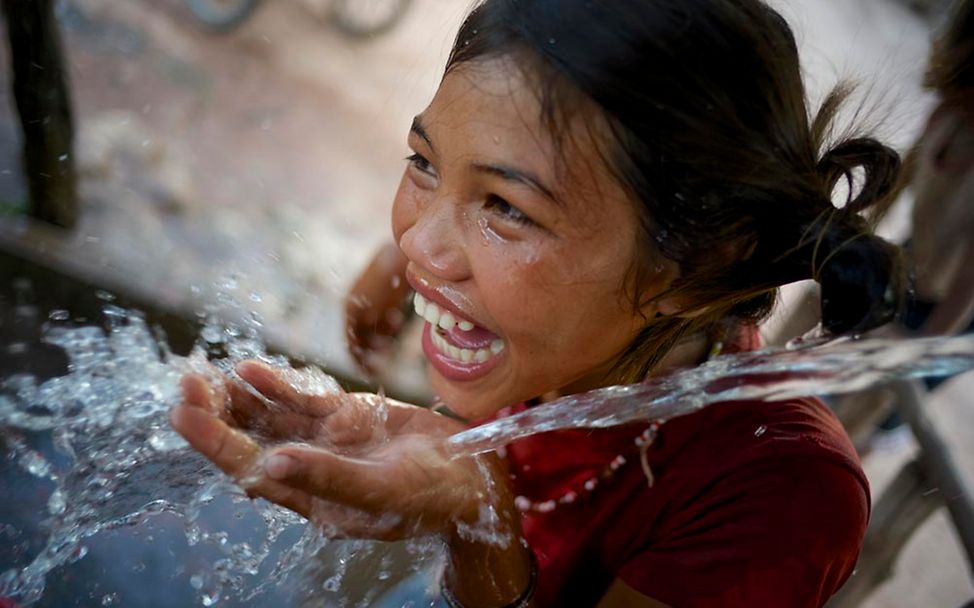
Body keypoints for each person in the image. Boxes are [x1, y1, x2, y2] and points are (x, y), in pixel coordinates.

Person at [171, 1, 908, 606]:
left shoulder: (780, 500)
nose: (424, 243)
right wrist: (396, 260)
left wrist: (475, 519)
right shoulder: (565, 324)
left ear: (690, 266)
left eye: (506, 207)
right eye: (424, 162)